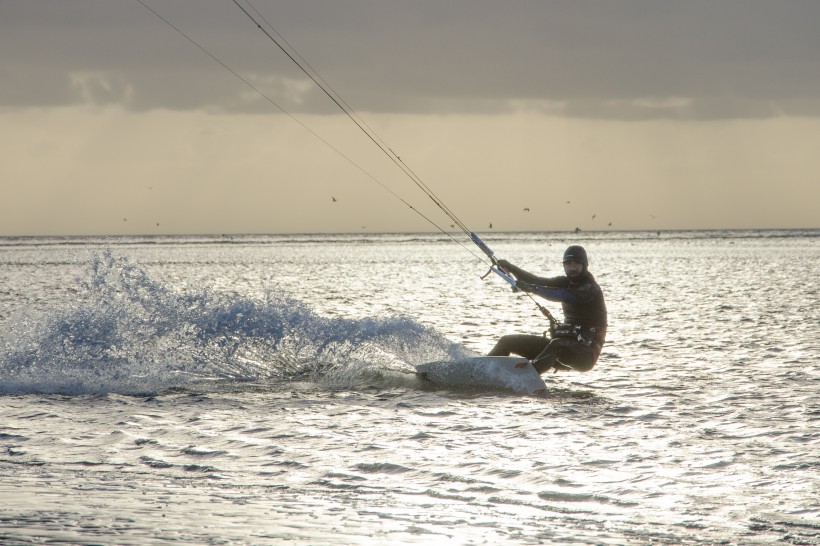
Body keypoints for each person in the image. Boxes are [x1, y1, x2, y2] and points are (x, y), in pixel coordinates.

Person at [488, 245, 607, 374]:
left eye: (577, 264)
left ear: (585, 265)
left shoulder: (590, 288)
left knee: (557, 344)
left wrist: (532, 288)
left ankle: (525, 377)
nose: (572, 268)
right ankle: (483, 371)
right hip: (560, 348)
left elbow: (563, 295)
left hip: (584, 355)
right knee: (507, 341)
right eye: (568, 264)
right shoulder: (564, 282)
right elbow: (537, 280)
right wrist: (510, 267)